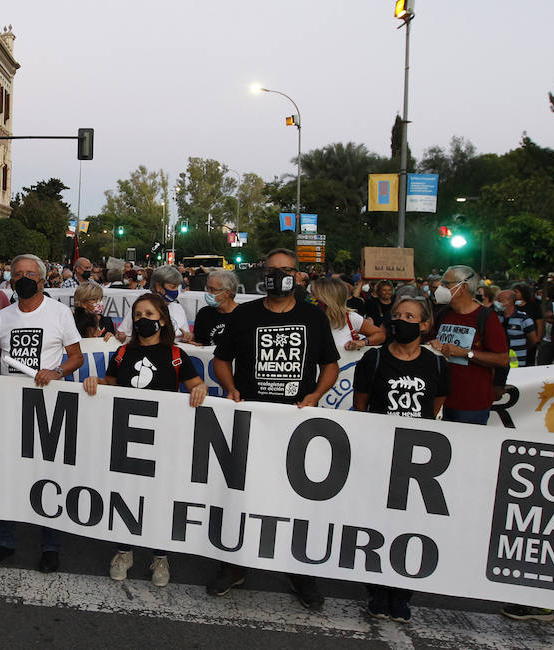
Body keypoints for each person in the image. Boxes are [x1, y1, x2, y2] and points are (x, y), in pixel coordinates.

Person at [209, 247, 340, 610]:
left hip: (296, 423)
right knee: (241, 495)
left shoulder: (313, 318)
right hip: (252, 421)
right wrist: (231, 387)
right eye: (272, 270)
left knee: (296, 500)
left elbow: (331, 364)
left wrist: (315, 394)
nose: (278, 275)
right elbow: (221, 360)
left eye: (286, 270)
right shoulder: (245, 314)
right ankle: (233, 565)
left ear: (298, 276)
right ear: (263, 276)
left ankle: (301, 572)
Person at [84, 292, 207, 587]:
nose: (143, 321)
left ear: (162, 320)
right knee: (126, 493)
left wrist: (200, 389)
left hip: (163, 439)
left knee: (160, 498)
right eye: (138, 315)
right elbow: (112, 383)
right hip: (128, 437)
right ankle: (124, 552)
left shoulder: (177, 356)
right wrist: (95, 381)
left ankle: (160, 555)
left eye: (149, 315)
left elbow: (195, 384)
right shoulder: (123, 354)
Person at [0, 254, 84, 574]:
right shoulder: (4, 316)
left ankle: (50, 546)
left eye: (30, 273)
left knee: (46, 477)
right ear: (10, 280)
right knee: (6, 475)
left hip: (46, 409)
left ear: (42, 279)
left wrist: (57, 372)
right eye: (18, 273)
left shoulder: (59, 314)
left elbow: (76, 357)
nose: (24, 278)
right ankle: (4, 540)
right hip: (9, 408)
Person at [352, 293, 449, 622]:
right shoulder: (373, 360)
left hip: (419, 462)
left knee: (410, 527)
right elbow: (361, 404)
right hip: (380, 455)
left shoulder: (436, 363)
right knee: (378, 524)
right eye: (397, 315)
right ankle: (376, 590)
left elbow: (435, 405)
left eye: (410, 317)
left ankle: (401, 593)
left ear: (424, 325)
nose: (402, 321)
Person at [429, 265, 511, 425]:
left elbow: (502, 359)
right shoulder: (443, 314)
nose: (441, 288)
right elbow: (430, 340)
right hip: (439, 398)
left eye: (446, 284)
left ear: (463, 287)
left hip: (470, 403)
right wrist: (432, 343)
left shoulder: (486, 318)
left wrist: (466, 353)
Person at [311, 277, 386, 353]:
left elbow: (380, 335)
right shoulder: (308, 317)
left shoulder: (350, 317)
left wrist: (363, 342)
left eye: (314, 294)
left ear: (329, 298)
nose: (311, 298)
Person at [191, 270, 239, 347]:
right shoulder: (204, 313)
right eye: (207, 288)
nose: (208, 293)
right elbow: (198, 343)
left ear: (227, 293)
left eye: (212, 289)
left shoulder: (243, 315)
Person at [494, 290, 539, 368]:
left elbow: (532, 340)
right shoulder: (495, 317)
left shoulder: (524, 319)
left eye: (500, 300)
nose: (497, 302)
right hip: (498, 361)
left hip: (516, 362)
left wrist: (521, 348)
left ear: (510, 301)